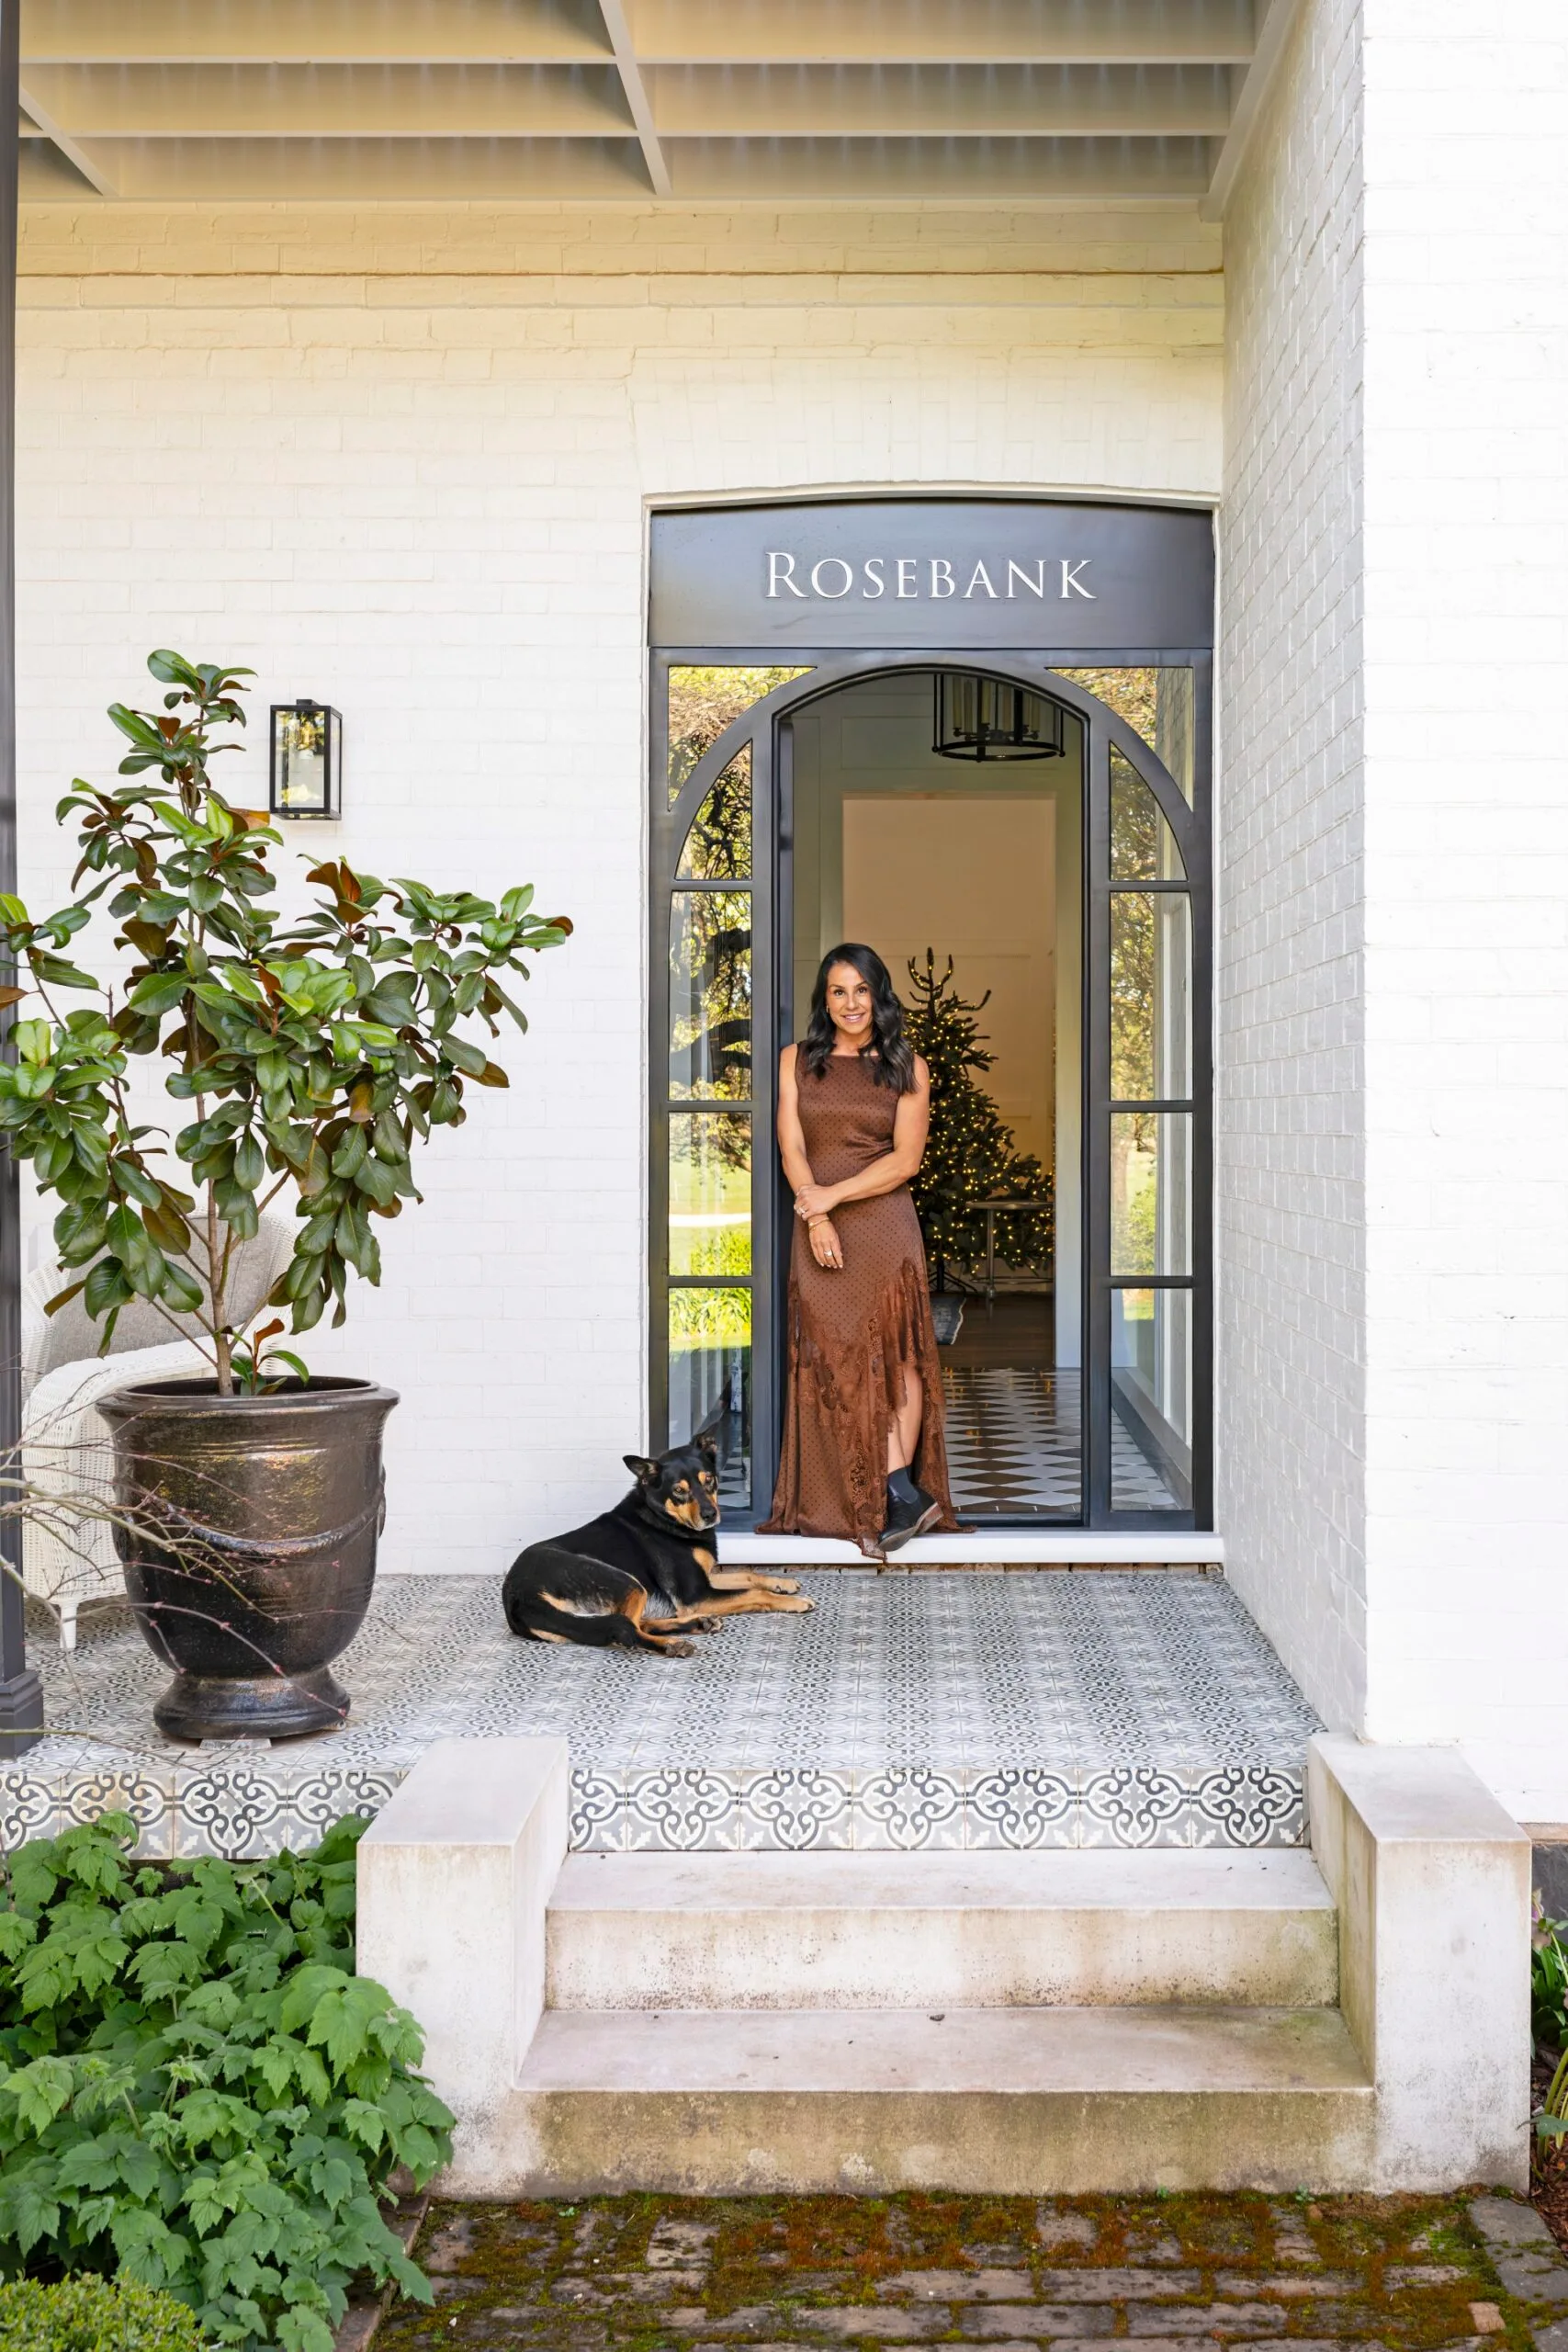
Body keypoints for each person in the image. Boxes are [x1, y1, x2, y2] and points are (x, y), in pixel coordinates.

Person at [759, 943, 957, 1558]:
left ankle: (899, 1492)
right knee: (832, 1352)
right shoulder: (795, 1061)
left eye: (862, 990)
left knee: (897, 1355)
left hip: (882, 1225)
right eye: (839, 991)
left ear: (879, 995)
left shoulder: (907, 1066)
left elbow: (905, 1161)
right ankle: (865, 1494)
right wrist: (816, 1213)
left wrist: (831, 1198)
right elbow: (791, 1146)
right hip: (817, 1221)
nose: (851, 1003)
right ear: (825, 999)